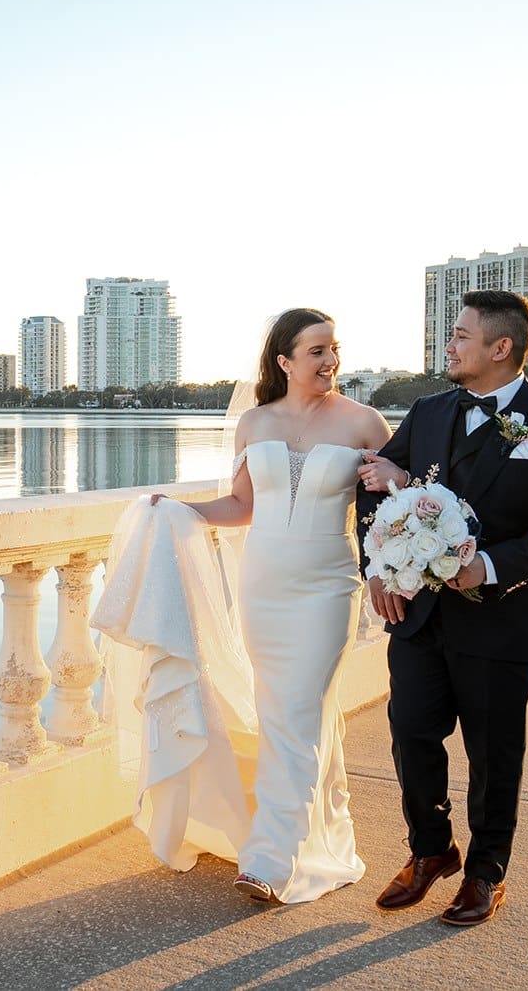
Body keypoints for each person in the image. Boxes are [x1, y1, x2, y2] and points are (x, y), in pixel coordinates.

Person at [357, 289, 528, 926]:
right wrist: (376, 568)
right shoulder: (430, 411)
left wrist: (482, 568)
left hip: (501, 621)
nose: (449, 345)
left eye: (460, 335)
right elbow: (377, 481)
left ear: (500, 347)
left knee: (493, 754)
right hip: (418, 615)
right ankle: (431, 852)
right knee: (410, 733)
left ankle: (487, 872)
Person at [149, 307, 390, 904]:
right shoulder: (254, 424)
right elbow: (242, 505)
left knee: (298, 710)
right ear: (284, 361)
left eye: (335, 348)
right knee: (288, 712)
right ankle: (322, 832)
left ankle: (269, 859)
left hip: (329, 586)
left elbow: (388, 514)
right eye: (317, 351)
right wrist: (184, 513)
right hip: (264, 585)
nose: (331, 360)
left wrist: (401, 486)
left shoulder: (365, 423)